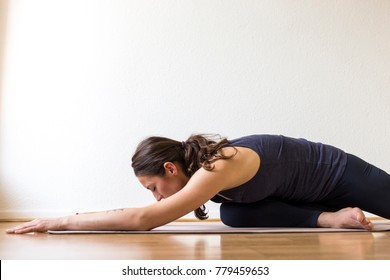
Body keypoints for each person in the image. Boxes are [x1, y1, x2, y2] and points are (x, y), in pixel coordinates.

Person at [6, 134, 390, 234]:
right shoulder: (206, 178)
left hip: (340, 175)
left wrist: (59, 222)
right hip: (313, 198)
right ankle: (329, 220)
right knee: (234, 213)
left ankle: (333, 214)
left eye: (153, 186)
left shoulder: (218, 167)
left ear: (171, 168)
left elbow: (145, 219)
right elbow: (147, 213)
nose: (156, 198)